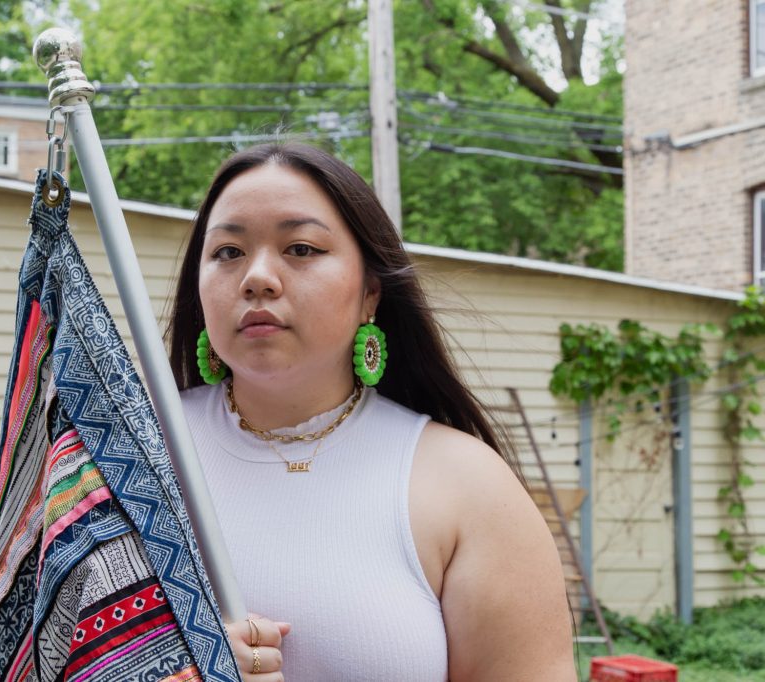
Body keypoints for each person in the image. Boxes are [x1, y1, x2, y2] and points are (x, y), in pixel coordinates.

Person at [167, 142, 576, 681]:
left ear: (370, 294)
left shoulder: (469, 487)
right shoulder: (124, 452)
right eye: (227, 252)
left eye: (302, 249)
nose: (257, 277)